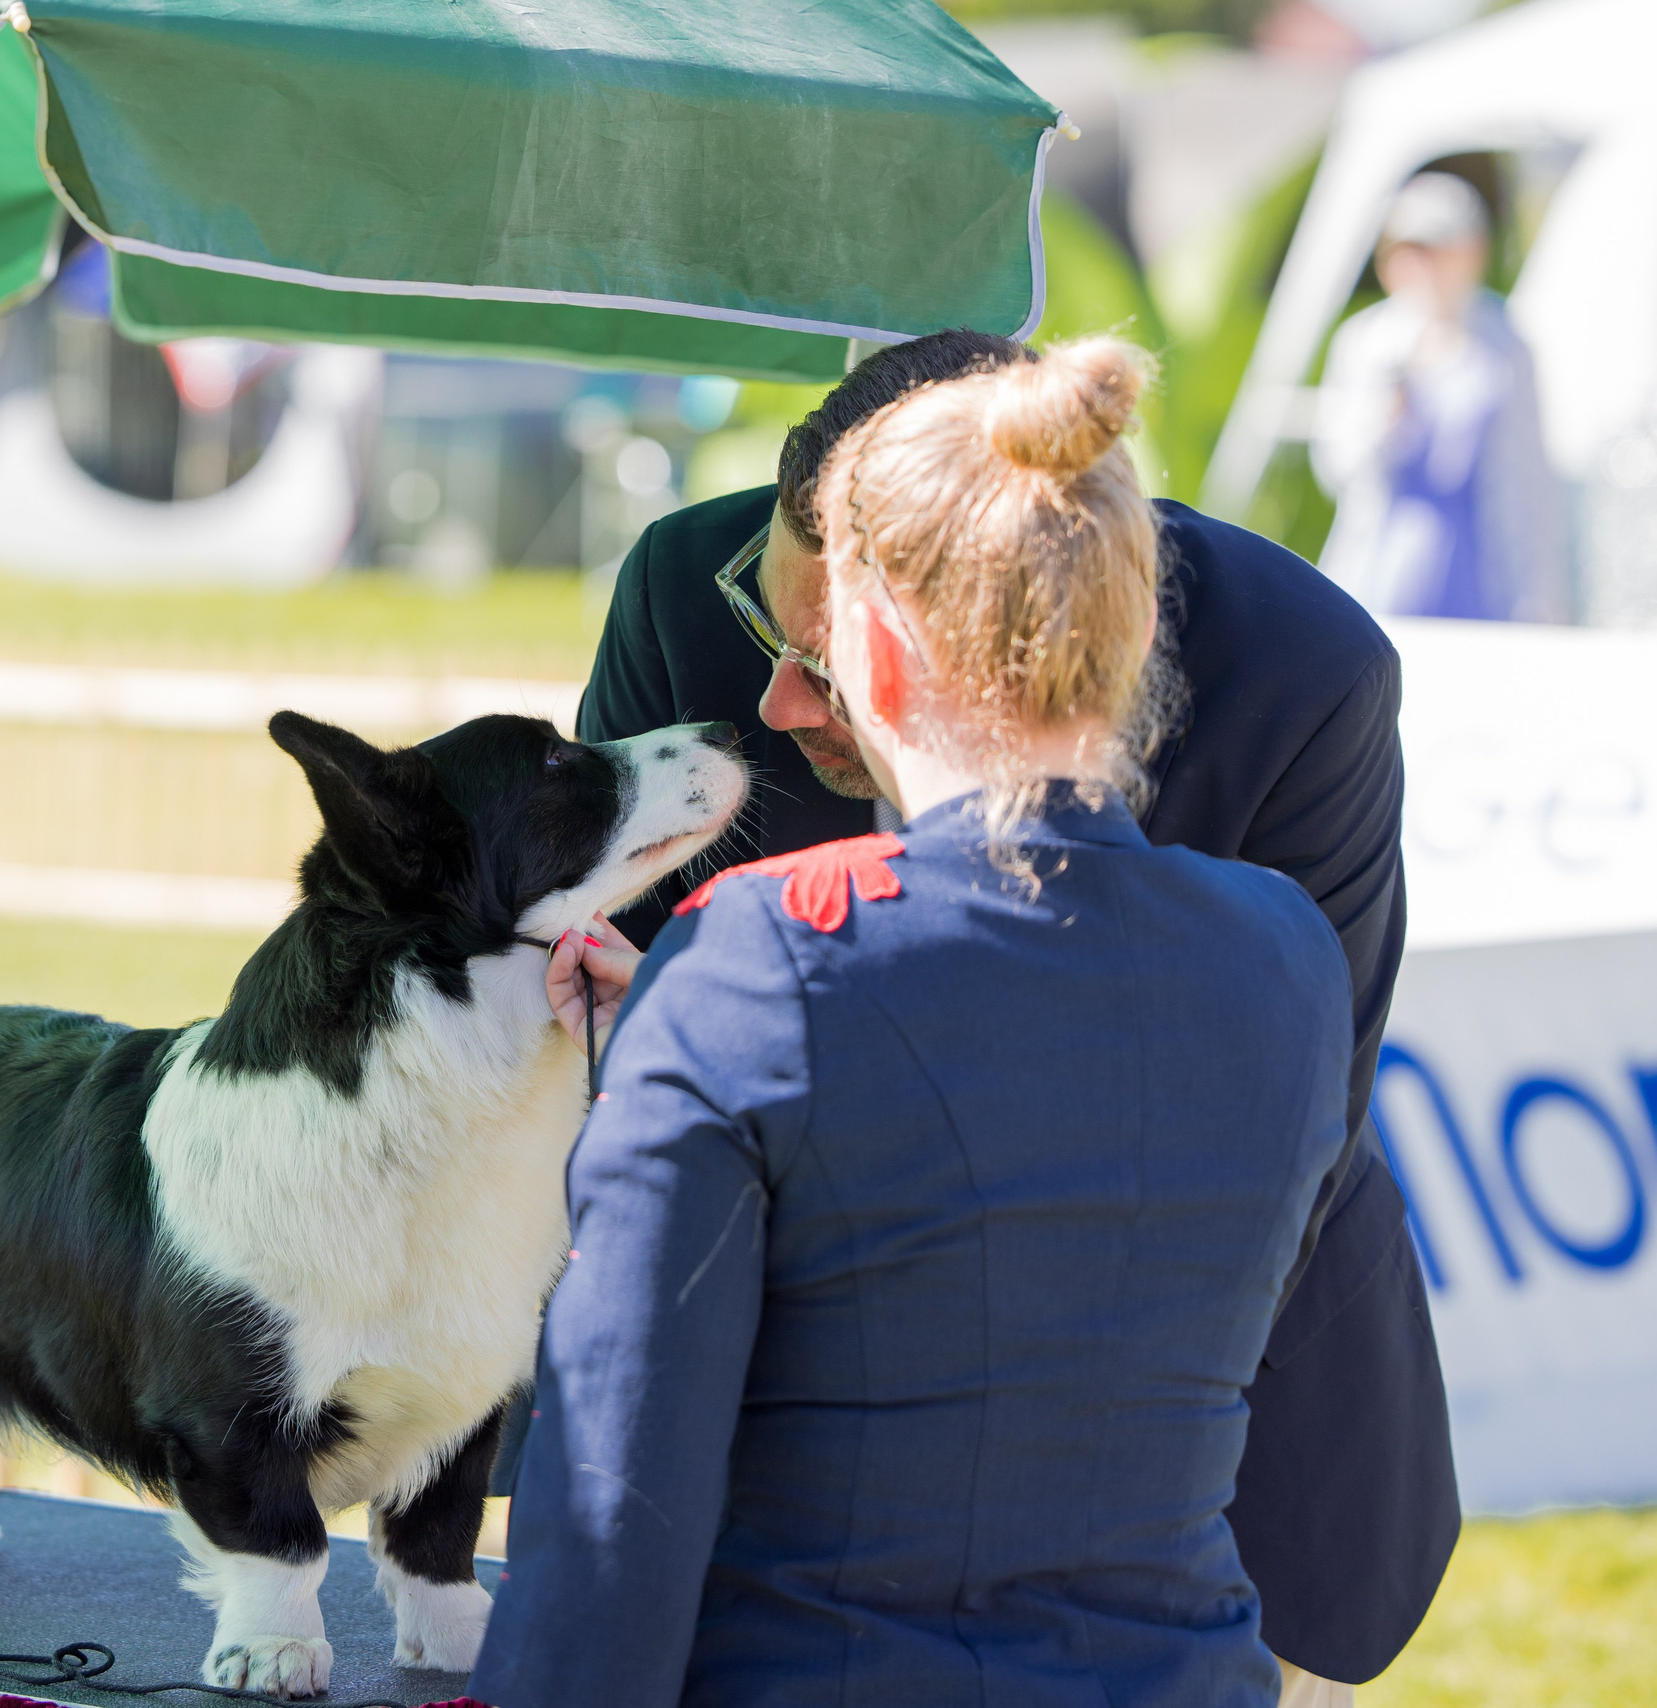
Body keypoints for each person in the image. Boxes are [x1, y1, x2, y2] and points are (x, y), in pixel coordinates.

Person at [540, 326, 1460, 1701]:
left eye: (821, 655)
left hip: (1160, 1448)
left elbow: (605, 1543)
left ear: (892, 656)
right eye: (767, 633)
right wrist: (686, 1059)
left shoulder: (1311, 678)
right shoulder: (1277, 946)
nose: (778, 700)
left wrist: (714, 1023)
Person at [1311, 171, 1568, 624]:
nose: (1427, 267)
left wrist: (1541, 593)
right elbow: (1336, 467)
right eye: (1413, 251)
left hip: (1480, 574)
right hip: (1381, 566)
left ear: (1473, 252)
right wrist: (1382, 419)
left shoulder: (1506, 345)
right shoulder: (1367, 340)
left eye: (1441, 250)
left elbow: (1530, 486)